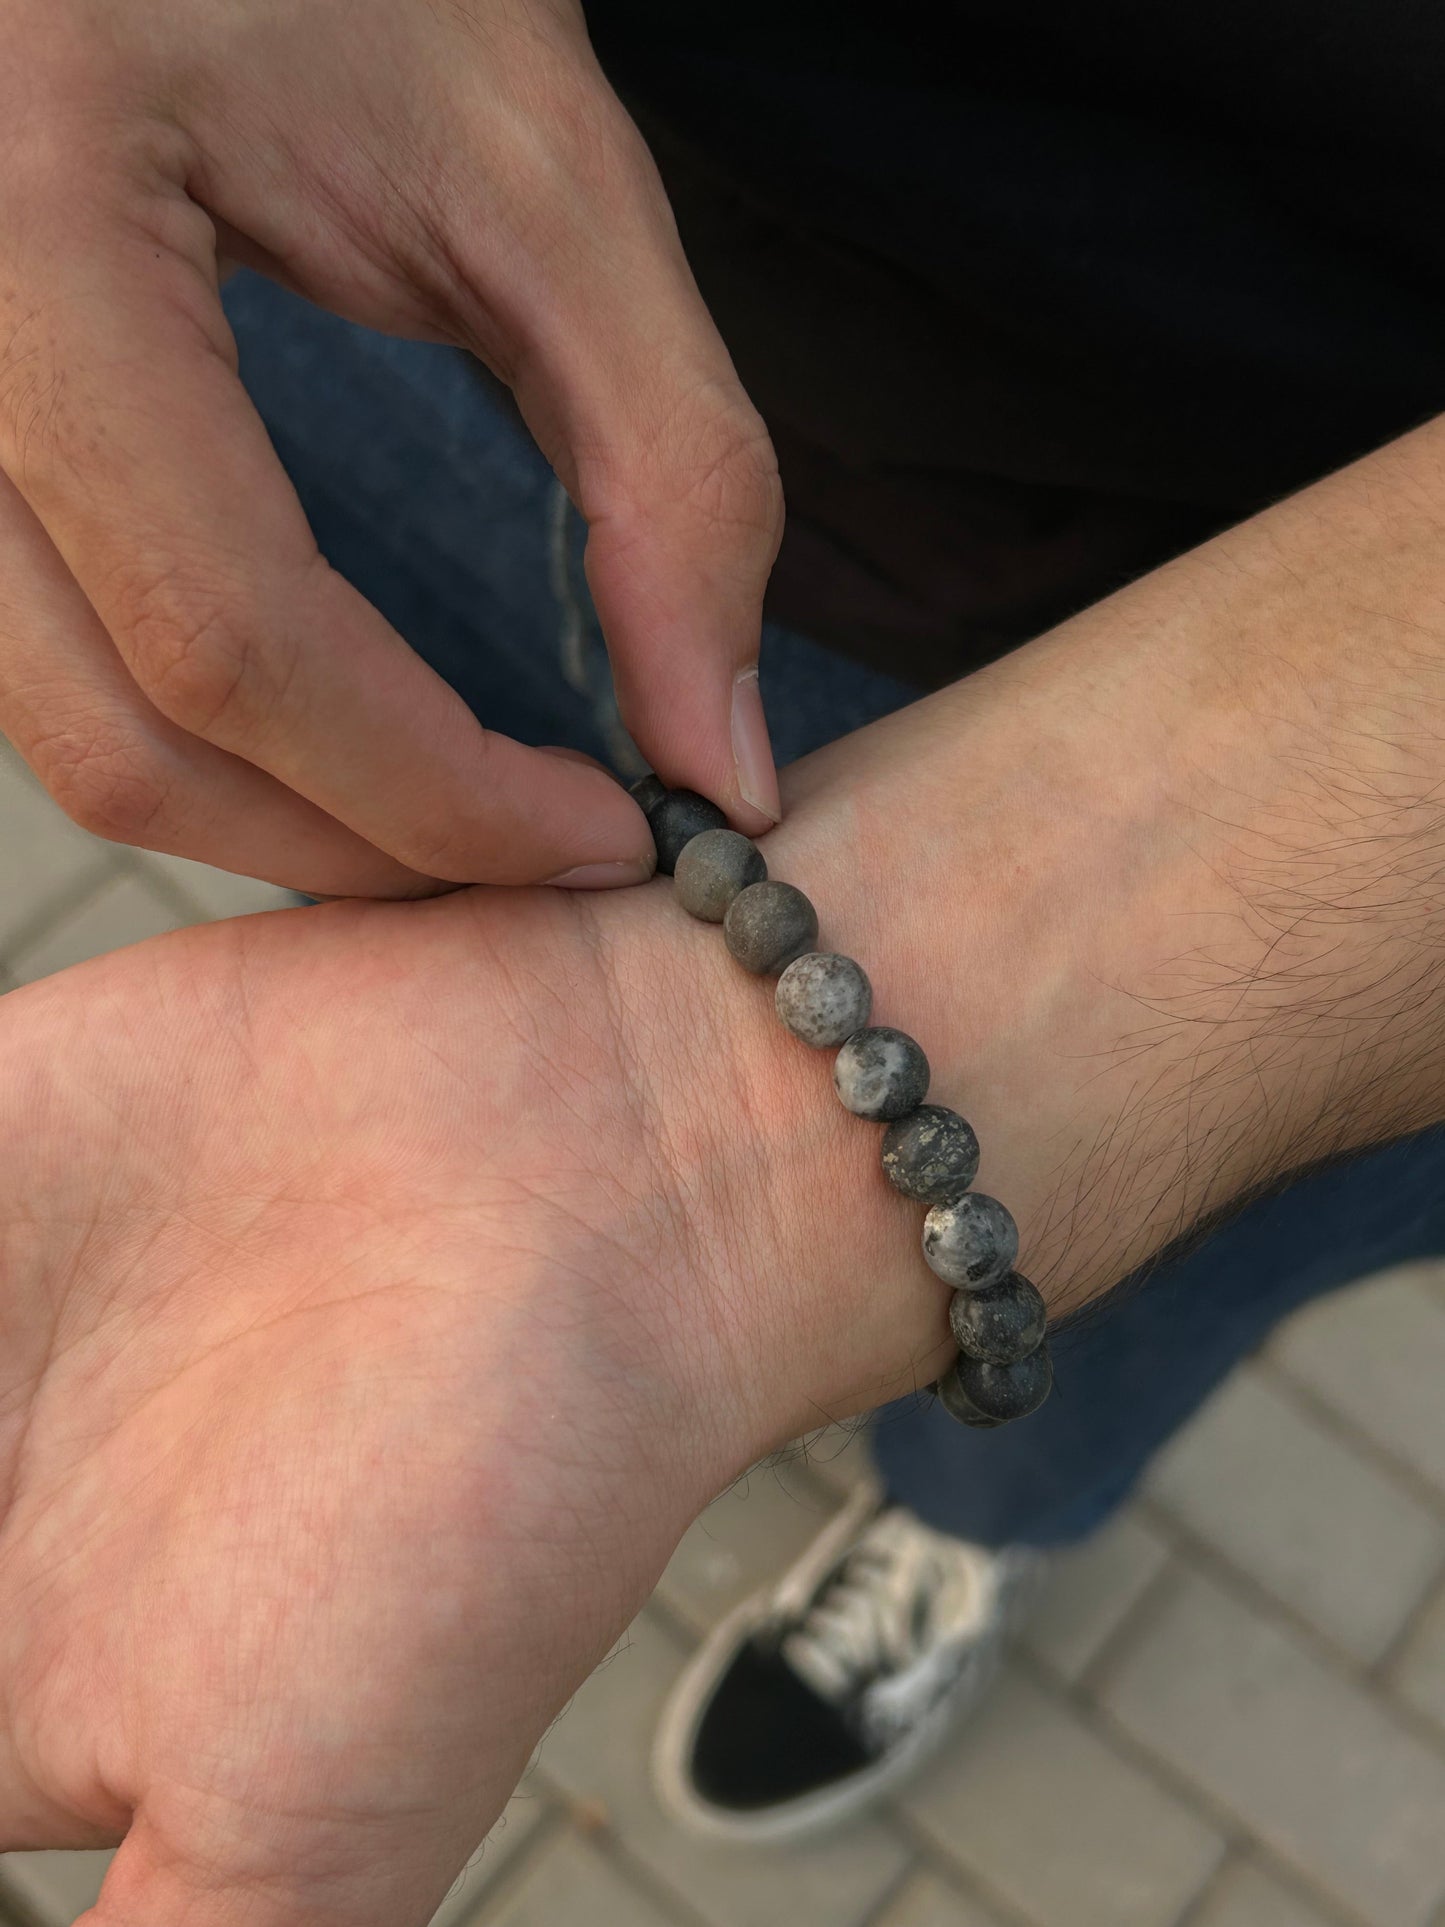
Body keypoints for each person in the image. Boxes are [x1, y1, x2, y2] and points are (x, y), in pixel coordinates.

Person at [1, 0, 1444, 1919]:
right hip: (380, 272)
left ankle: (965, 1531)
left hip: (1263, 707)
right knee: (392, 942)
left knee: (1064, 1325)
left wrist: (718, 1176)